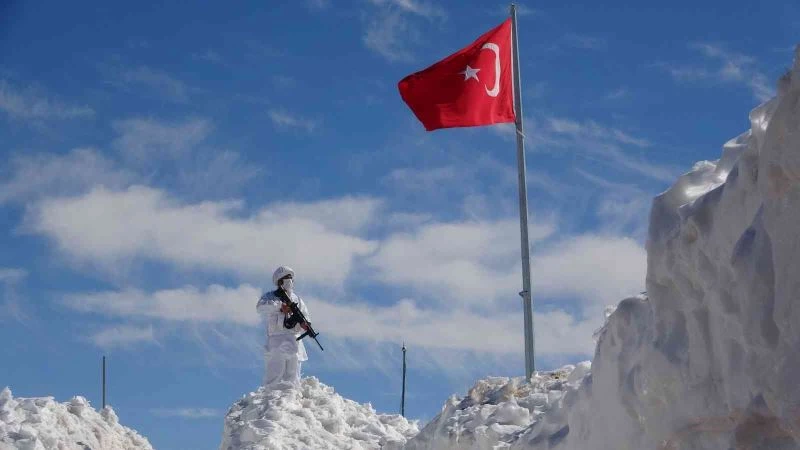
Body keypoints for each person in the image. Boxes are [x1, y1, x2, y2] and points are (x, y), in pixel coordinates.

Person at [256, 265, 312, 388]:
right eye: (286, 278)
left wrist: (306, 325)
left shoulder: (297, 299)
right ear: (279, 281)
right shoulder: (271, 296)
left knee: (292, 372)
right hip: (276, 338)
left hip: (294, 338)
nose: (290, 281)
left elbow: (305, 316)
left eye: (291, 278)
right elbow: (260, 307)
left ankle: (290, 397)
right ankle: (272, 399)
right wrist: (279, 307)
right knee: (275, 372)